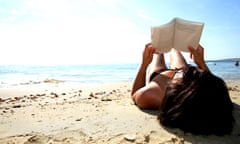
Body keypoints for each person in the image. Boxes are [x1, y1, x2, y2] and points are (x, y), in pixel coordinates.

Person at [131, 43, 234, 135]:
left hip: (158, 77)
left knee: (158, 52)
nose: (198, 70)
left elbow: (135, 94)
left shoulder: (152, 94)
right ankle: (174, 45)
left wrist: (144, 64)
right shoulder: (215, 101)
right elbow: (212, 86)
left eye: (197, 72)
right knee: (175, 50)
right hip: (180, 75)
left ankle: (165, 44)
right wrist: (200, 62)